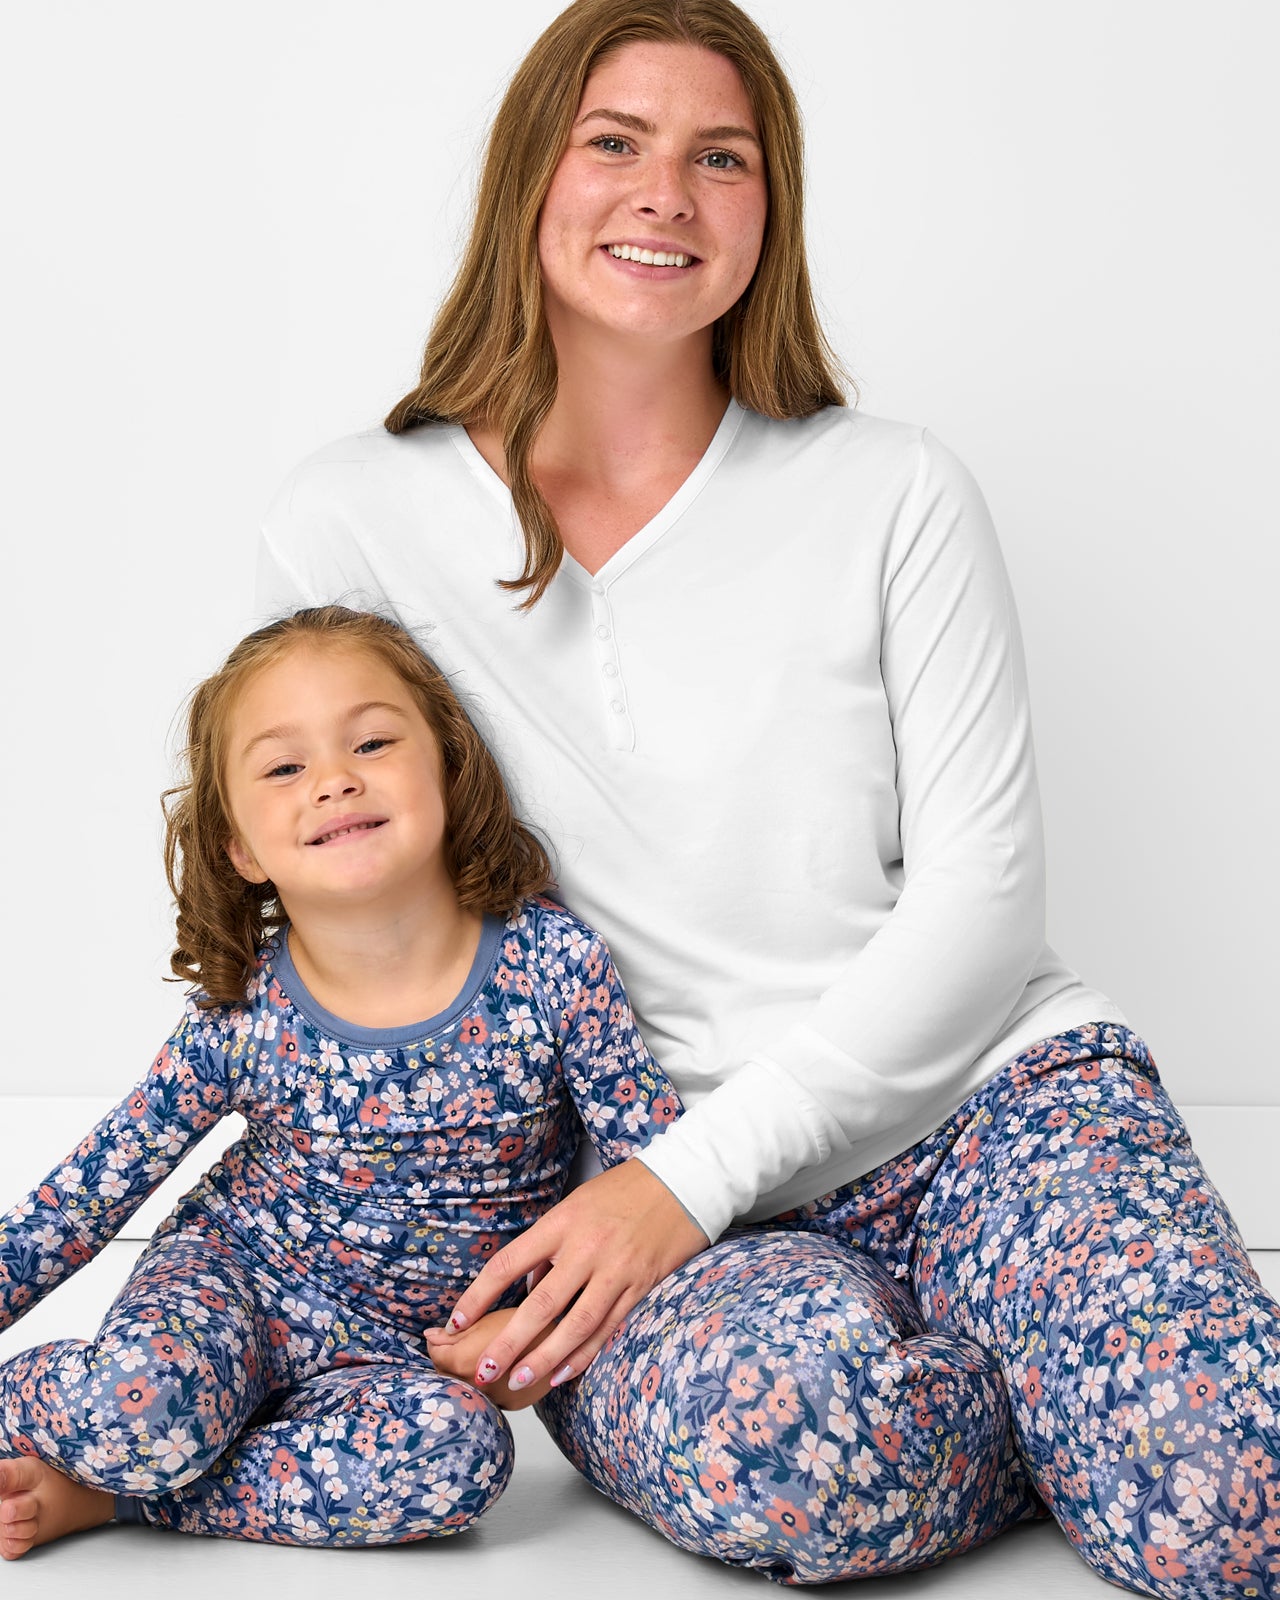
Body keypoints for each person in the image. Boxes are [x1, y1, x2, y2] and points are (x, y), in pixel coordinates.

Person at [254, 2, 1280, 1594]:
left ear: (768, 211)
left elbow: (985, 897)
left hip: (984, 1106)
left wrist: (698, 1175)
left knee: (1238, 1507)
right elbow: (340, 913)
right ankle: (1072, 1403)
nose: (665, 191)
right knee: (803, 1470)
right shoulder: (354, 520)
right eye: (616, 143)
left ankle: (1127, 1397)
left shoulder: (893, 489)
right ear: (531, 176)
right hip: (632, 1186)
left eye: (718, 157)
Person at [0, 604, 681, 1557]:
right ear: (240, 847)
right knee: (148, 1411)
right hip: (232, 1282)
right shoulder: (240, 1016)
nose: (334, 780)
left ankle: (126, 1500)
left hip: (396, 1360)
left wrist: (533, 1315)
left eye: (370, 741)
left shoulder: (552, 964)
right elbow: (83, 1198)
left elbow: (655, 1170)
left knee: (463, 1458)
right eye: (284, 767)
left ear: (449, 768)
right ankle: (106, 1434)